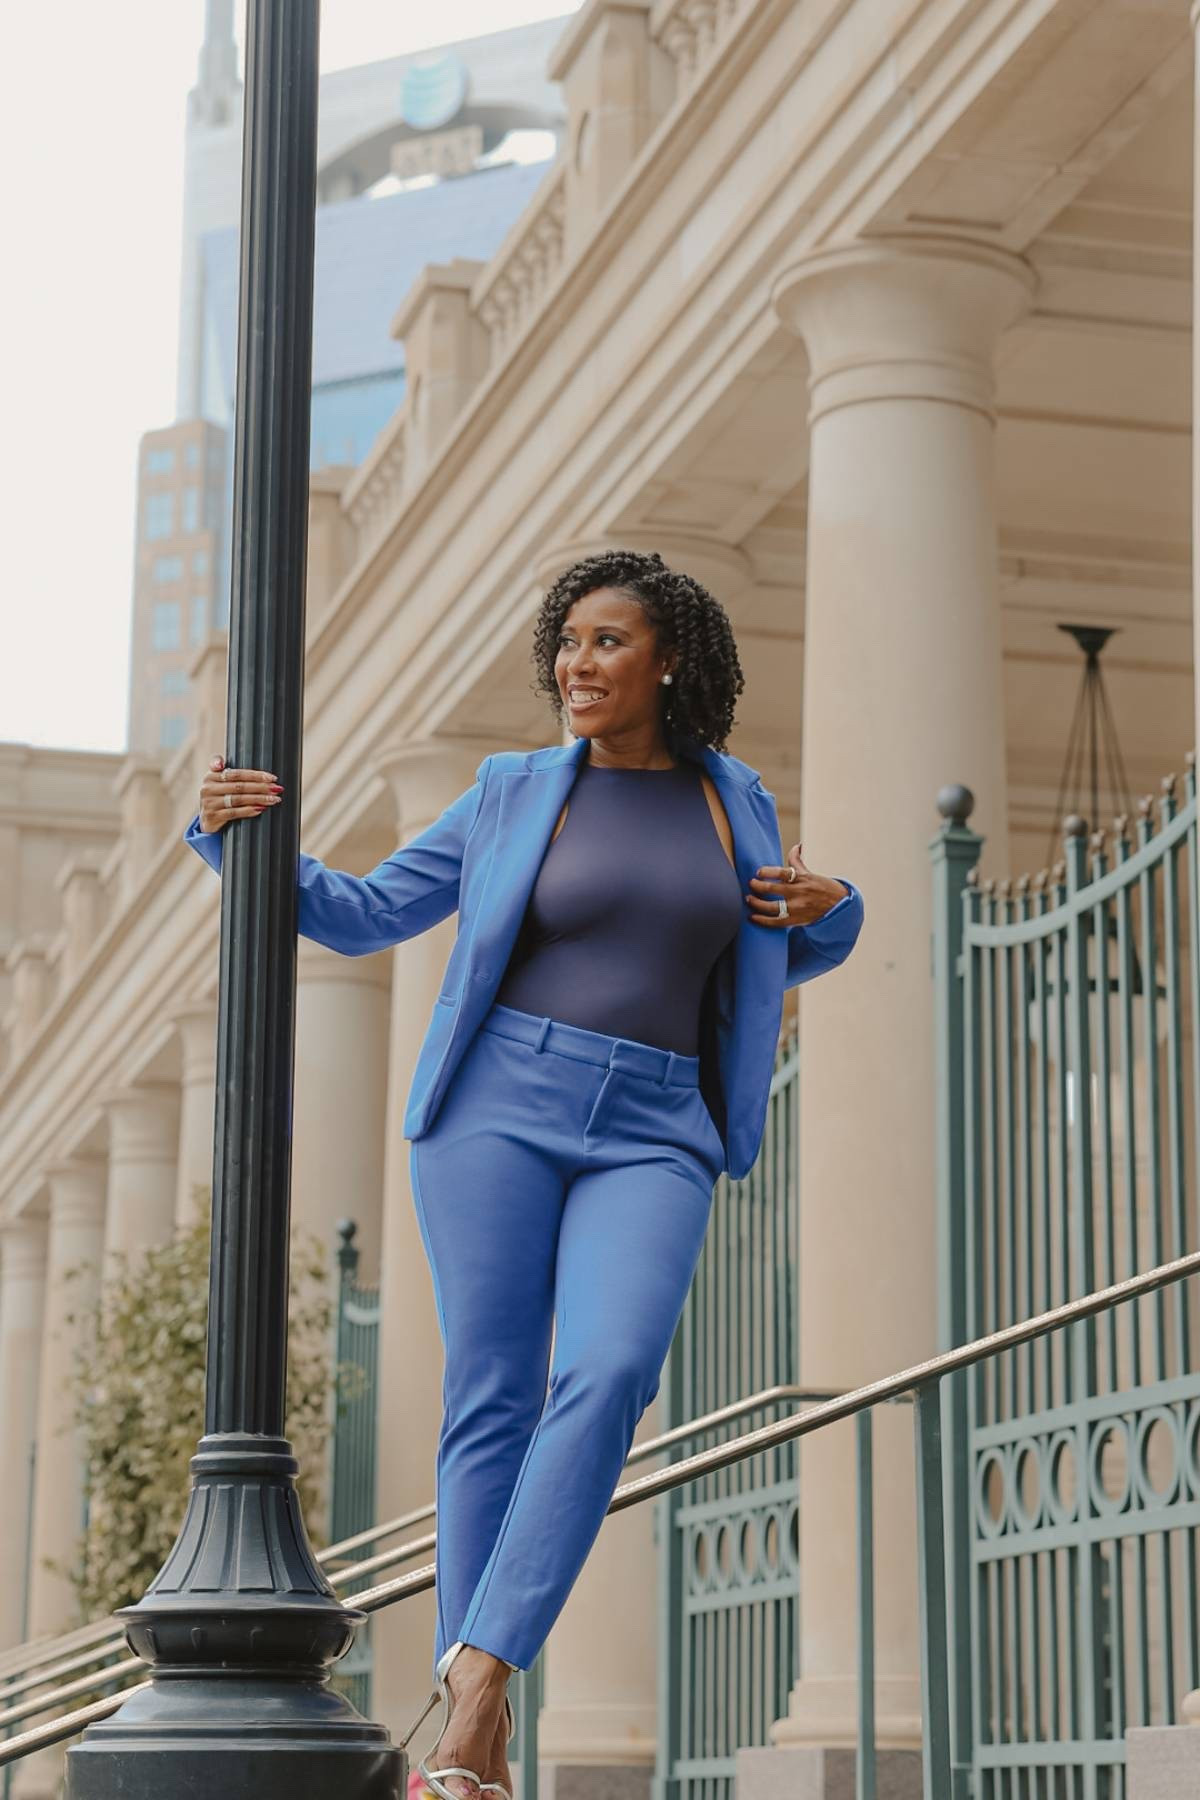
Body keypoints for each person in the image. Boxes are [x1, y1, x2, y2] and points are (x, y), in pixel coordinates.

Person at [183, 547, 864, 1800]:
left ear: (671, 661)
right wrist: (245, 845)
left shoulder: (735, 800)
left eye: (608, 641)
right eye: (568, 642)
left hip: (659, 1125)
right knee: (492, 1395)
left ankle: (479, 1674)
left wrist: (839, 909)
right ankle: (475, 1711)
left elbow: (771, 947)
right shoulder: (508, 792)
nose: (578, 663)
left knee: (607, 1371)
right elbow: (366, 912)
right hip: (499, 1103)